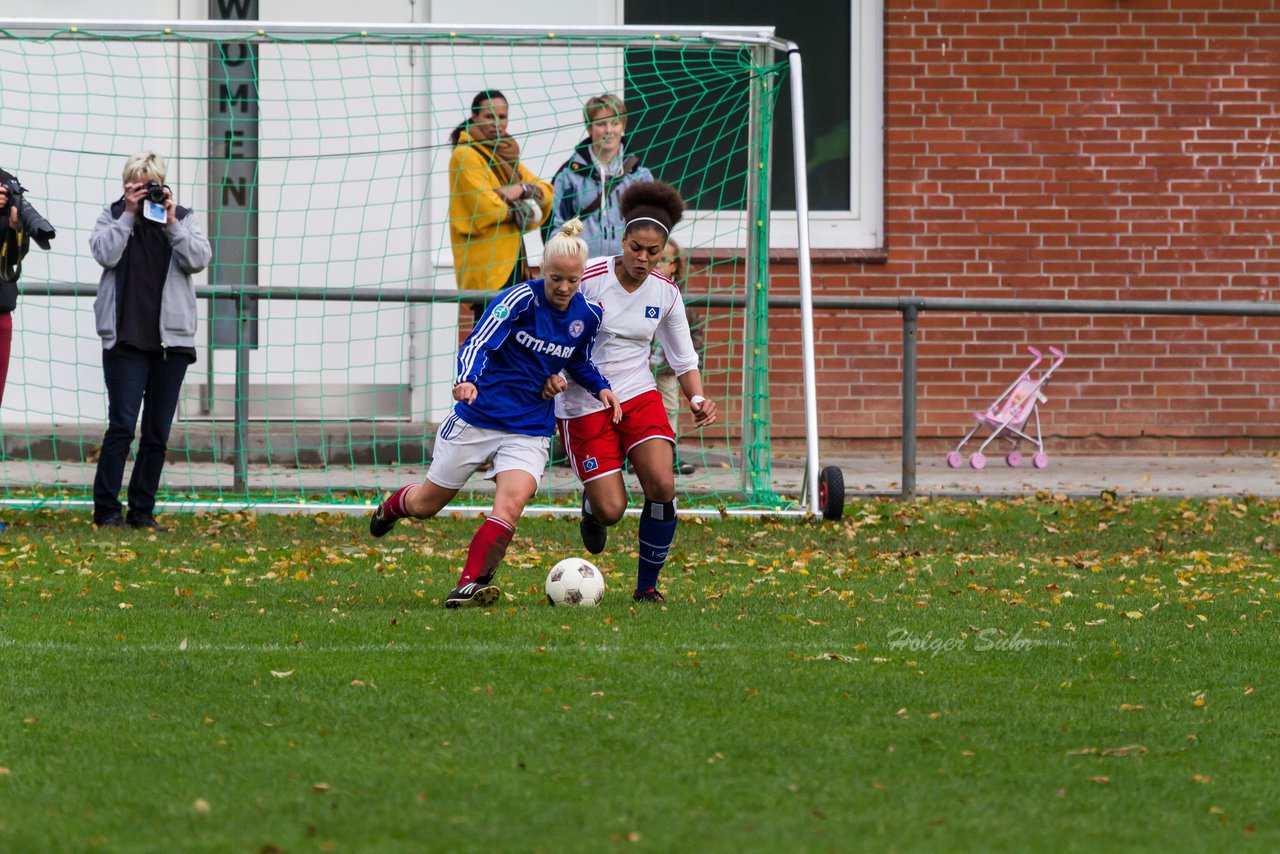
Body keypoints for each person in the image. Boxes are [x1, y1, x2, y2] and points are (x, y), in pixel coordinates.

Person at [369, 220, 621, 609]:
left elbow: (578, 362)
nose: (564, 288)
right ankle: (392, 507)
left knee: (511, 504)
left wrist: (601, 387)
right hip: (479, 416)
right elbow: (478, 342)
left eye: (572, 280)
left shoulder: (587, 316)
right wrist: (466, 380)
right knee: (426, 505)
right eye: (556, 278)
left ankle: (469, 585)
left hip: (529, 428)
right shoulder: (518, 299)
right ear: (541, 270)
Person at [556, 181, 718, 603]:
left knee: (662, 485)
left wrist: (696, 398)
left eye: (653, 252)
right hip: (582, 398)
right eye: (635, 248)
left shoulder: (666, 293)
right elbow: (551, 324)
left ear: (665, 252)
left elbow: (683, 358)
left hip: (638, 392)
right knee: (612, 510)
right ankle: (593, 507)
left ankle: (647, 588)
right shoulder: (589, 279)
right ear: (622, 240)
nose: (643, 259)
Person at [89, 151, 212, 530]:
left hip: (169, 344)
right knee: (122, 427)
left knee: (157, 432)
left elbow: (199, 259)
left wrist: (172, 221)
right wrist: (128, 213)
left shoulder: (183, 217)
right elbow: (103, 254)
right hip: (125, 340)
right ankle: (106, 512)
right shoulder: (113, 215)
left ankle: (142, 511)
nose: (148, 192)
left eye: (153, 184)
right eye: (140, 185)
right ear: (128, 185)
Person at [447, 89, 554, 324]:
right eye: (489, 117)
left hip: (515, 265)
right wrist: (524, 208)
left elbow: (546, 193)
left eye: (503, 116)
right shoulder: (464, 155)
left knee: (514, 346)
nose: (497, 123)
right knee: (488, 345)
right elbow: (488, 207)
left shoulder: (506, 154)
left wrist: (521, 191)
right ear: (474, 117)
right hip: (487, 271)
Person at [549, 93, 655, 258]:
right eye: (601, 124)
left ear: (623, 126)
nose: (609, 130)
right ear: (590, 128)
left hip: (626, 269)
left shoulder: (640, 177)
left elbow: (652, 226)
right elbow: (554, 227)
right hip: (581, 269)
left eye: (615, 123)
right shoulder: (568, 177)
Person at [650, 237, 705, 476]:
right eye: (656, 259)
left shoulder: (684, 299)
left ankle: (668, 454)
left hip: (667, 368)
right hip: (640, 365)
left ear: (674, 266)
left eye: (664, 260)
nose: (658, 265)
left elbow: (696, 336)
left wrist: (695, 365)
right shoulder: (642, 290)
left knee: (669, 408)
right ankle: (628, 454)